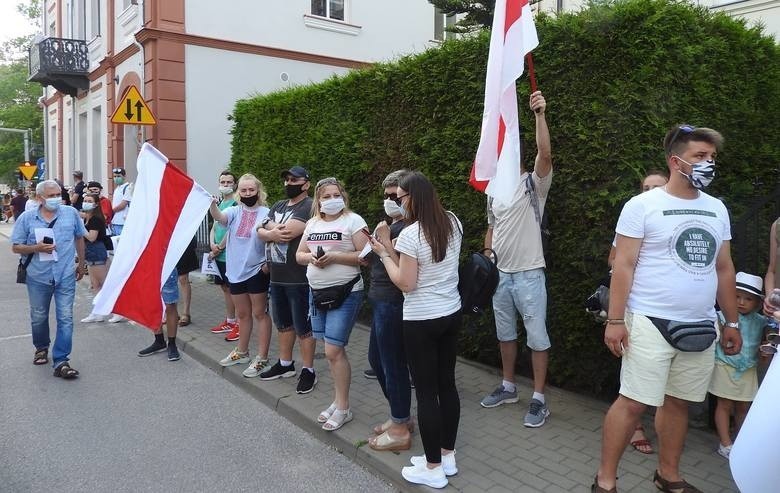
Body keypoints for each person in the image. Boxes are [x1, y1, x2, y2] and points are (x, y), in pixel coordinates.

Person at [594, 124, 742, 493]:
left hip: (700, 326)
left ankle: (668, 476)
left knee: (679, 404)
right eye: (700, 157)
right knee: (632, 403)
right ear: (676, 161)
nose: (708, 164)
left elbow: (724, 268)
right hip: (648, 321)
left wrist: (732, 322)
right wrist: (615, 319)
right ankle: (605, 480)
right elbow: (622, 265)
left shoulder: (716, 209)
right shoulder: (643, 206)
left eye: (712, 157)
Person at [369, 171, 463, 489]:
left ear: (412, 198)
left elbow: (406, 283)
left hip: (422, 319)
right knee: (447, 386)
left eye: (400, 197)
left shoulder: (411, 235)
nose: (398, 202)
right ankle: (446, 457)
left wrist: (384, 256)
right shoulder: (453, 221)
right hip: (451, 313)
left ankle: (433, 467)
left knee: (426, 393)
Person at [480, 90, 554, 428]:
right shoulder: (494, 189)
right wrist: (486, 259)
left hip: (529, 274)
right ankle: (509, 386)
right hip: (501, 276)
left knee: (536, 337)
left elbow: (546, 153)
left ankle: (539, 398)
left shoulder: (532, 183)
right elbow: (491, 227)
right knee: (505, 334)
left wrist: (539, 114)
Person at [296, 177, 368, 431]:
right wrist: (312, 260)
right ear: (318, 200)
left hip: (346, 293)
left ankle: (344, 407)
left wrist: (335, 256)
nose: (330, 200)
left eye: (335, 194)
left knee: (332, 351)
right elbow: (299, 255)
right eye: (325, 196)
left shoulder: (353, 221)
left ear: (343, 196)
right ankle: (337, 402)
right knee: (331, 351)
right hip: (317, 293)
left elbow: (366, 257)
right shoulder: (313, 223)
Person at [606, 169, 669, 454]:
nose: (650, 191)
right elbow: (614, 259)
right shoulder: (634, 216)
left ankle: (663, 428)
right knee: (634, 375)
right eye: (646, 187)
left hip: (670, 310)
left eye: (656, 186)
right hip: (636, 307)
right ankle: (637, 426)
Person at [11, 179, 86, 378]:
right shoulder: (26, 218)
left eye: (58, 195)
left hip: (65, 275)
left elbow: (79, 237)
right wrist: (36, 248)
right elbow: (16, 246)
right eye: (51, 196)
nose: (56, 199)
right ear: (39, 198)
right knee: (39, 316)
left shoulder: (70, 213)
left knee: (66, 317)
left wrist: (81, 264)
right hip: (38, 276)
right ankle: (41, 347)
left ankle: (61, 360)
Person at [257, 166, 317, 392]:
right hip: (277, 277)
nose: (288, 183)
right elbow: (260, 230)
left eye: (294, 180)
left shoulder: (309, 206)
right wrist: (269, 231)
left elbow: (288, 233)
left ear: (306, 184)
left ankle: (308, 370)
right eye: (286, 180)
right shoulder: (279, 205)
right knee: (283, 324)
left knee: (304, 327)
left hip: (299, 278)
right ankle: (285, 364)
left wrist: (268, 229)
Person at [365, 170, 413, 451]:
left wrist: (382, 242)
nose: (389, 200)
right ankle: (401, 415)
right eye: (385, 195)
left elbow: (402, 267)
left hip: (394, 302)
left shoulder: (410, 227)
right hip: (380, 300)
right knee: (377, 359)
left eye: (394, 195)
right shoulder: (392, 225)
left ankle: (400, 427)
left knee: (392, 364)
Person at [208, 173, 273, 378]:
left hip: (256, 270)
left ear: (258, 191)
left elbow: (272, 237)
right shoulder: (234, 211)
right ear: (239, 192)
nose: (247, 194)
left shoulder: (266, 212)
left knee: (260, 314)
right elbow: (220, 218)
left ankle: (262, 358)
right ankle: (242, 352)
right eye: (243, 190)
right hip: (235, 271)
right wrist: (212, 205)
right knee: (242, 314)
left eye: (251, 190)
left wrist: (267, 265)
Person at [710, 272, 766, 459]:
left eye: (748, 299)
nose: (741, 302)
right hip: (725, 366)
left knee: (744, 407)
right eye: (736, 296)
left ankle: (740, 442)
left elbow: (766, 343)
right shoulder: (721, 316)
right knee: (724, 404)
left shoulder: (762, 322)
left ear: (757, 303)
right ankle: (725, 443)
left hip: (748, 370)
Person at [207, 170, 239, 337]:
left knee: (235, 291)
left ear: (234, 185)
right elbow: (214, 226)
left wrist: (219, 247)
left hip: (228, 255)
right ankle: (230, 320)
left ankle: (239, 324)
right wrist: (212, 244)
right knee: (225, 288)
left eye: (229, 182)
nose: (225, 185)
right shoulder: (219, 204)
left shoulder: (235, 204)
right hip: (218, 254)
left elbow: (232, 230)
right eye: (223, 182)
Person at [137, 269, 182, 362]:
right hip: (148, 267)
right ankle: (159, 341)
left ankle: (172, 344)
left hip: (167, 266)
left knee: (170, 305)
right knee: (152, 303)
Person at [79, 194, 110, 323]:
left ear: (96, 204)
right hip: (91, 253)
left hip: (97, 252)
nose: (86, 203)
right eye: (85, 200)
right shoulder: (88, 218)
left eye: (89, 201)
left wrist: (80, 229)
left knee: (104, 285)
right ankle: (98, 312)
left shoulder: (95, 219)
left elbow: (92, 237)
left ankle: (115, 311)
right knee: (95, 285)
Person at [175, 235, 199, 326]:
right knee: (168, 280)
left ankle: (186, 313)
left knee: (183, 278)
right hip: (168, 243)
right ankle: (172, 312)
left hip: (182, 242)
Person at [110, 167, 132, 236]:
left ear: (124, 176)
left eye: (118, 176)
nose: (116, 178)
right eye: (115, 176)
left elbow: (123, 204)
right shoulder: (117, 189)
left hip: (123, 222)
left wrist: (111, 211)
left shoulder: (128, 187)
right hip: (115, 221)